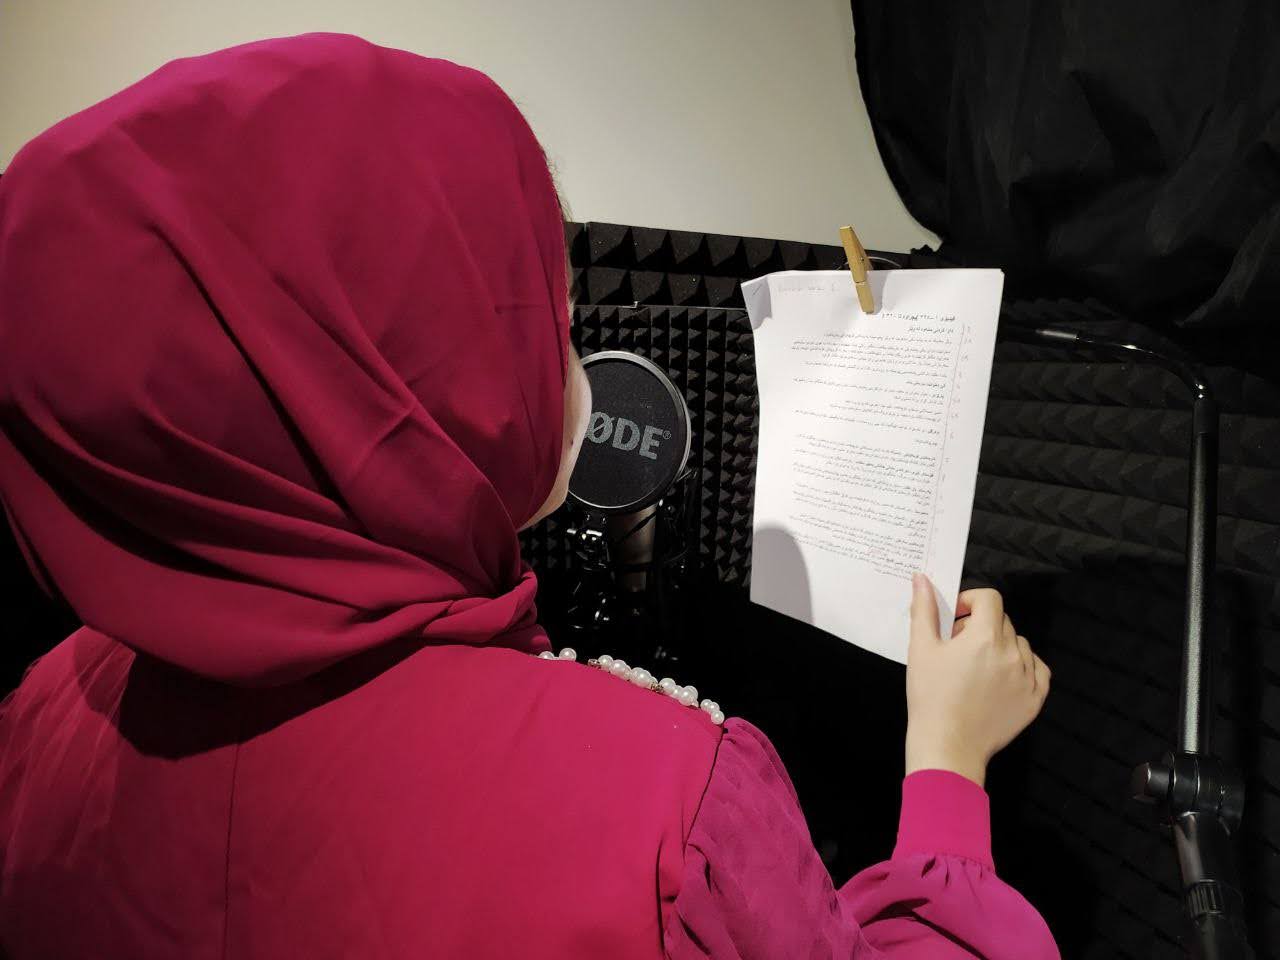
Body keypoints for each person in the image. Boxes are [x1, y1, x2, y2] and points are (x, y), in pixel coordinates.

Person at [0, 33, 1058, 959]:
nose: (567, 363)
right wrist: (948, 765)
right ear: (381, 384)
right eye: (539, 318)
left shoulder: (41, 722)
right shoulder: (668, 805)